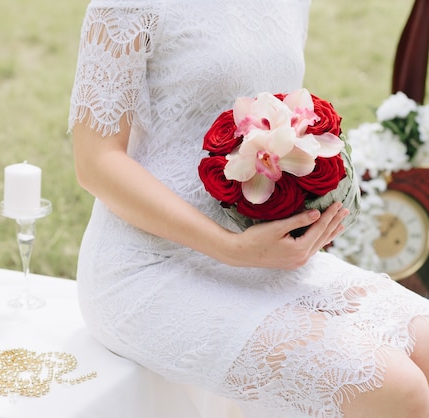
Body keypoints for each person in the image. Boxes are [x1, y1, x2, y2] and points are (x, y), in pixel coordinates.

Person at [67, 1, 429, 417]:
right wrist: (231, 248)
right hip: (147, 267)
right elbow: (95, 163)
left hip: (260, 256)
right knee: (395, 388)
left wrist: (309, 204)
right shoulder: (126, 7)